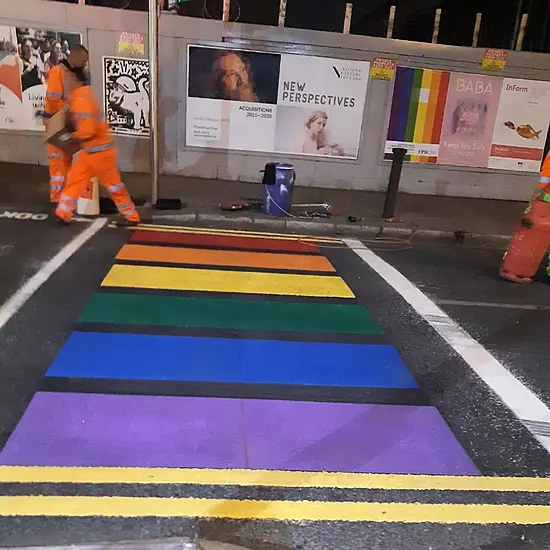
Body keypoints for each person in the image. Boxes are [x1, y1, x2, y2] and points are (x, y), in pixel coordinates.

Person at [55, 70, 140, 226]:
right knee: (76, 180)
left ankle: (132, 216)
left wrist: (70, 137)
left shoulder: (82, 100)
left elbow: (88, 131)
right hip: (92, 151)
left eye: (68, 78)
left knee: (113, 186)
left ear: (76, 80)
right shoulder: (79, 98)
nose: (65, 82)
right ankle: (63, 213)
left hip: (100, 153)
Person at [42, 44, 88, 208]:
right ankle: (57, 197)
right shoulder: (59, 72)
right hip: (56, 124)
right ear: (74, 58)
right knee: (58, 163)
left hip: (64, 124)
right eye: (83, 61)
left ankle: (65, 196)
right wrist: (71, 109)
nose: (85, 64)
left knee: (65, 161)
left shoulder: (72, 74)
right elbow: (53, 100)